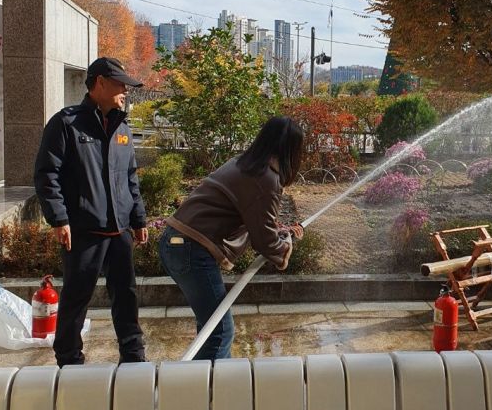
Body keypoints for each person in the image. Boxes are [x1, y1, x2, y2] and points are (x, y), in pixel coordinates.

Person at [34, 56, 149, 366]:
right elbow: (47, 174)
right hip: (83, 231)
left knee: (126, 296)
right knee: (76, 298)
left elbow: (129, 177)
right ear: (100, 83)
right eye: (120, 84)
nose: (126, 90)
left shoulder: (122, 126)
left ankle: (133, 354)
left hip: (119, 231)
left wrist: (138, 218)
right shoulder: (67, 123)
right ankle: (69, 358)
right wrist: (59, 218)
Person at [160, 116, 304, 360]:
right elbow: (265, 242)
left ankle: (201, 385)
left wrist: (279, 232)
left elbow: (255, 222)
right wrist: (284, 247)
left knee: (211, 329)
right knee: (219, 332)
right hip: (191, 250)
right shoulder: (265, 178)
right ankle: (208, 393)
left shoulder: (244, 164)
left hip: (176, 243)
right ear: (291, 150)